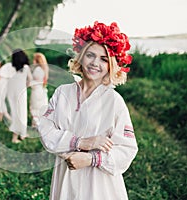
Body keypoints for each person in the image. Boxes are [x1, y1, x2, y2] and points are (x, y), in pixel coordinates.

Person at [38, 21, 138, 200]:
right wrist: (80, 142)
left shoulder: (114, 101)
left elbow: (127, 149)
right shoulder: (63, 92)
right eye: (90, 55)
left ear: (111, 65)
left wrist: (91, 159)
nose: (94, 63)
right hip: (66, 178)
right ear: (81, 57)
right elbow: (46, 130)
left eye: (103, 59)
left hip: (98, 184)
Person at [7, 49, 33, 143]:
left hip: (11, 93)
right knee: (22, 114)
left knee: (15, 113)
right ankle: (19, 135)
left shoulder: (11, 68)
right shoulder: (26, 68)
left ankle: (21, 133)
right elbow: (30, 80)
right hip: (21, 93)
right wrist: (25, 85)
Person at [29, 52, 49, 128]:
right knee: (40, 107)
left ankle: (36, 124)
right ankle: (38, 124)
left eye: (34, 59)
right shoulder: (44, 70)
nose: (33, 61)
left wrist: (29, 83)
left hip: (36, 90)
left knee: (34, 107)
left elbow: (36, 81)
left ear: (37, 60)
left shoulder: (38, 70)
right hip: (41, 90)